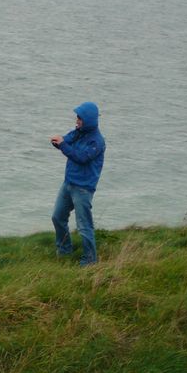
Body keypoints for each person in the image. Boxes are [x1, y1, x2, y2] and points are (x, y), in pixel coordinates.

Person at [50, 101, 106, 266]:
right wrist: (57, 142)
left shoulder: (97, 142)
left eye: (79, 118)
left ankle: (89, 261)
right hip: (68, 183)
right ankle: (64, 250)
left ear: (88, 119)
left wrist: (63, 145)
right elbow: (66, 141)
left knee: (84, 226)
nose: (77, 120)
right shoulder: (78, 132)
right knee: (57, 217)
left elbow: (81, 158)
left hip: (83, 189)